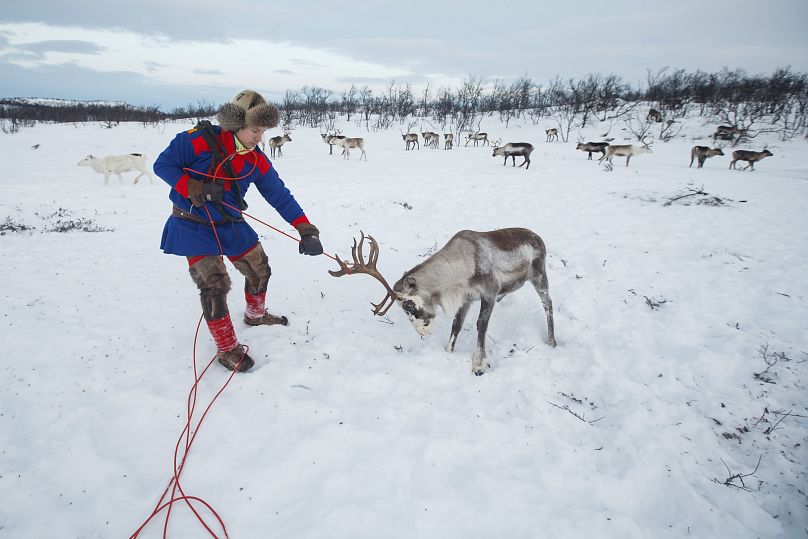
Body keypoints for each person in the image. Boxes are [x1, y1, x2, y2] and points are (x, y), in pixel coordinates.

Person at [153, 90, 323, 372]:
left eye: (264, 132)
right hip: (192, 223)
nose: (260, 138)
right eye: (256, 130)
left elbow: (279, 195)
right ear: (237, 124)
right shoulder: (195, 141)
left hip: (229, 222)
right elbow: (162, 165)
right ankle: (227, 348)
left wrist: (305, 229)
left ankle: (255, 315)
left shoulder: (256, 160)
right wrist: (195, 188)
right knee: (214, 285)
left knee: (259, 269)